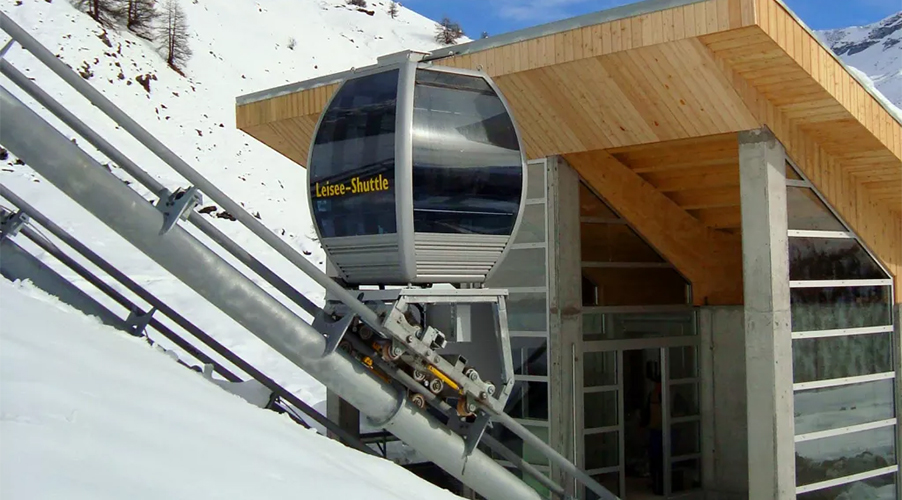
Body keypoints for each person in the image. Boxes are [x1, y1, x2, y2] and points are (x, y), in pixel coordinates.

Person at [640, 371, 664, 496]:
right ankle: (656, 484)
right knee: (655, 460)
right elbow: (647, 413)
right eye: (657, 383)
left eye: (659, 383)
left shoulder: (672, 395)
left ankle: (663, 485)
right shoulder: (652, 395)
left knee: (664, 460)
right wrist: (643, 425)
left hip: (667, 432)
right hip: (655, 431)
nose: (657, 385)